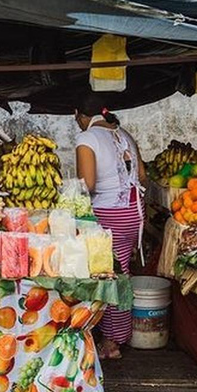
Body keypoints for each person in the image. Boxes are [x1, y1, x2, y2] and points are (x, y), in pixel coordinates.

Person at [75, 101, 146, 359]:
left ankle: (113, 341)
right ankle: (117, 333)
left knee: (109, 277)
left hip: (108, 214)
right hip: (133, 214)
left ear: (80, 115)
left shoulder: (87, 137)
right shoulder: (124, 134)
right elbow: (142, 175)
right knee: (122, 271)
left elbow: (88, 184)